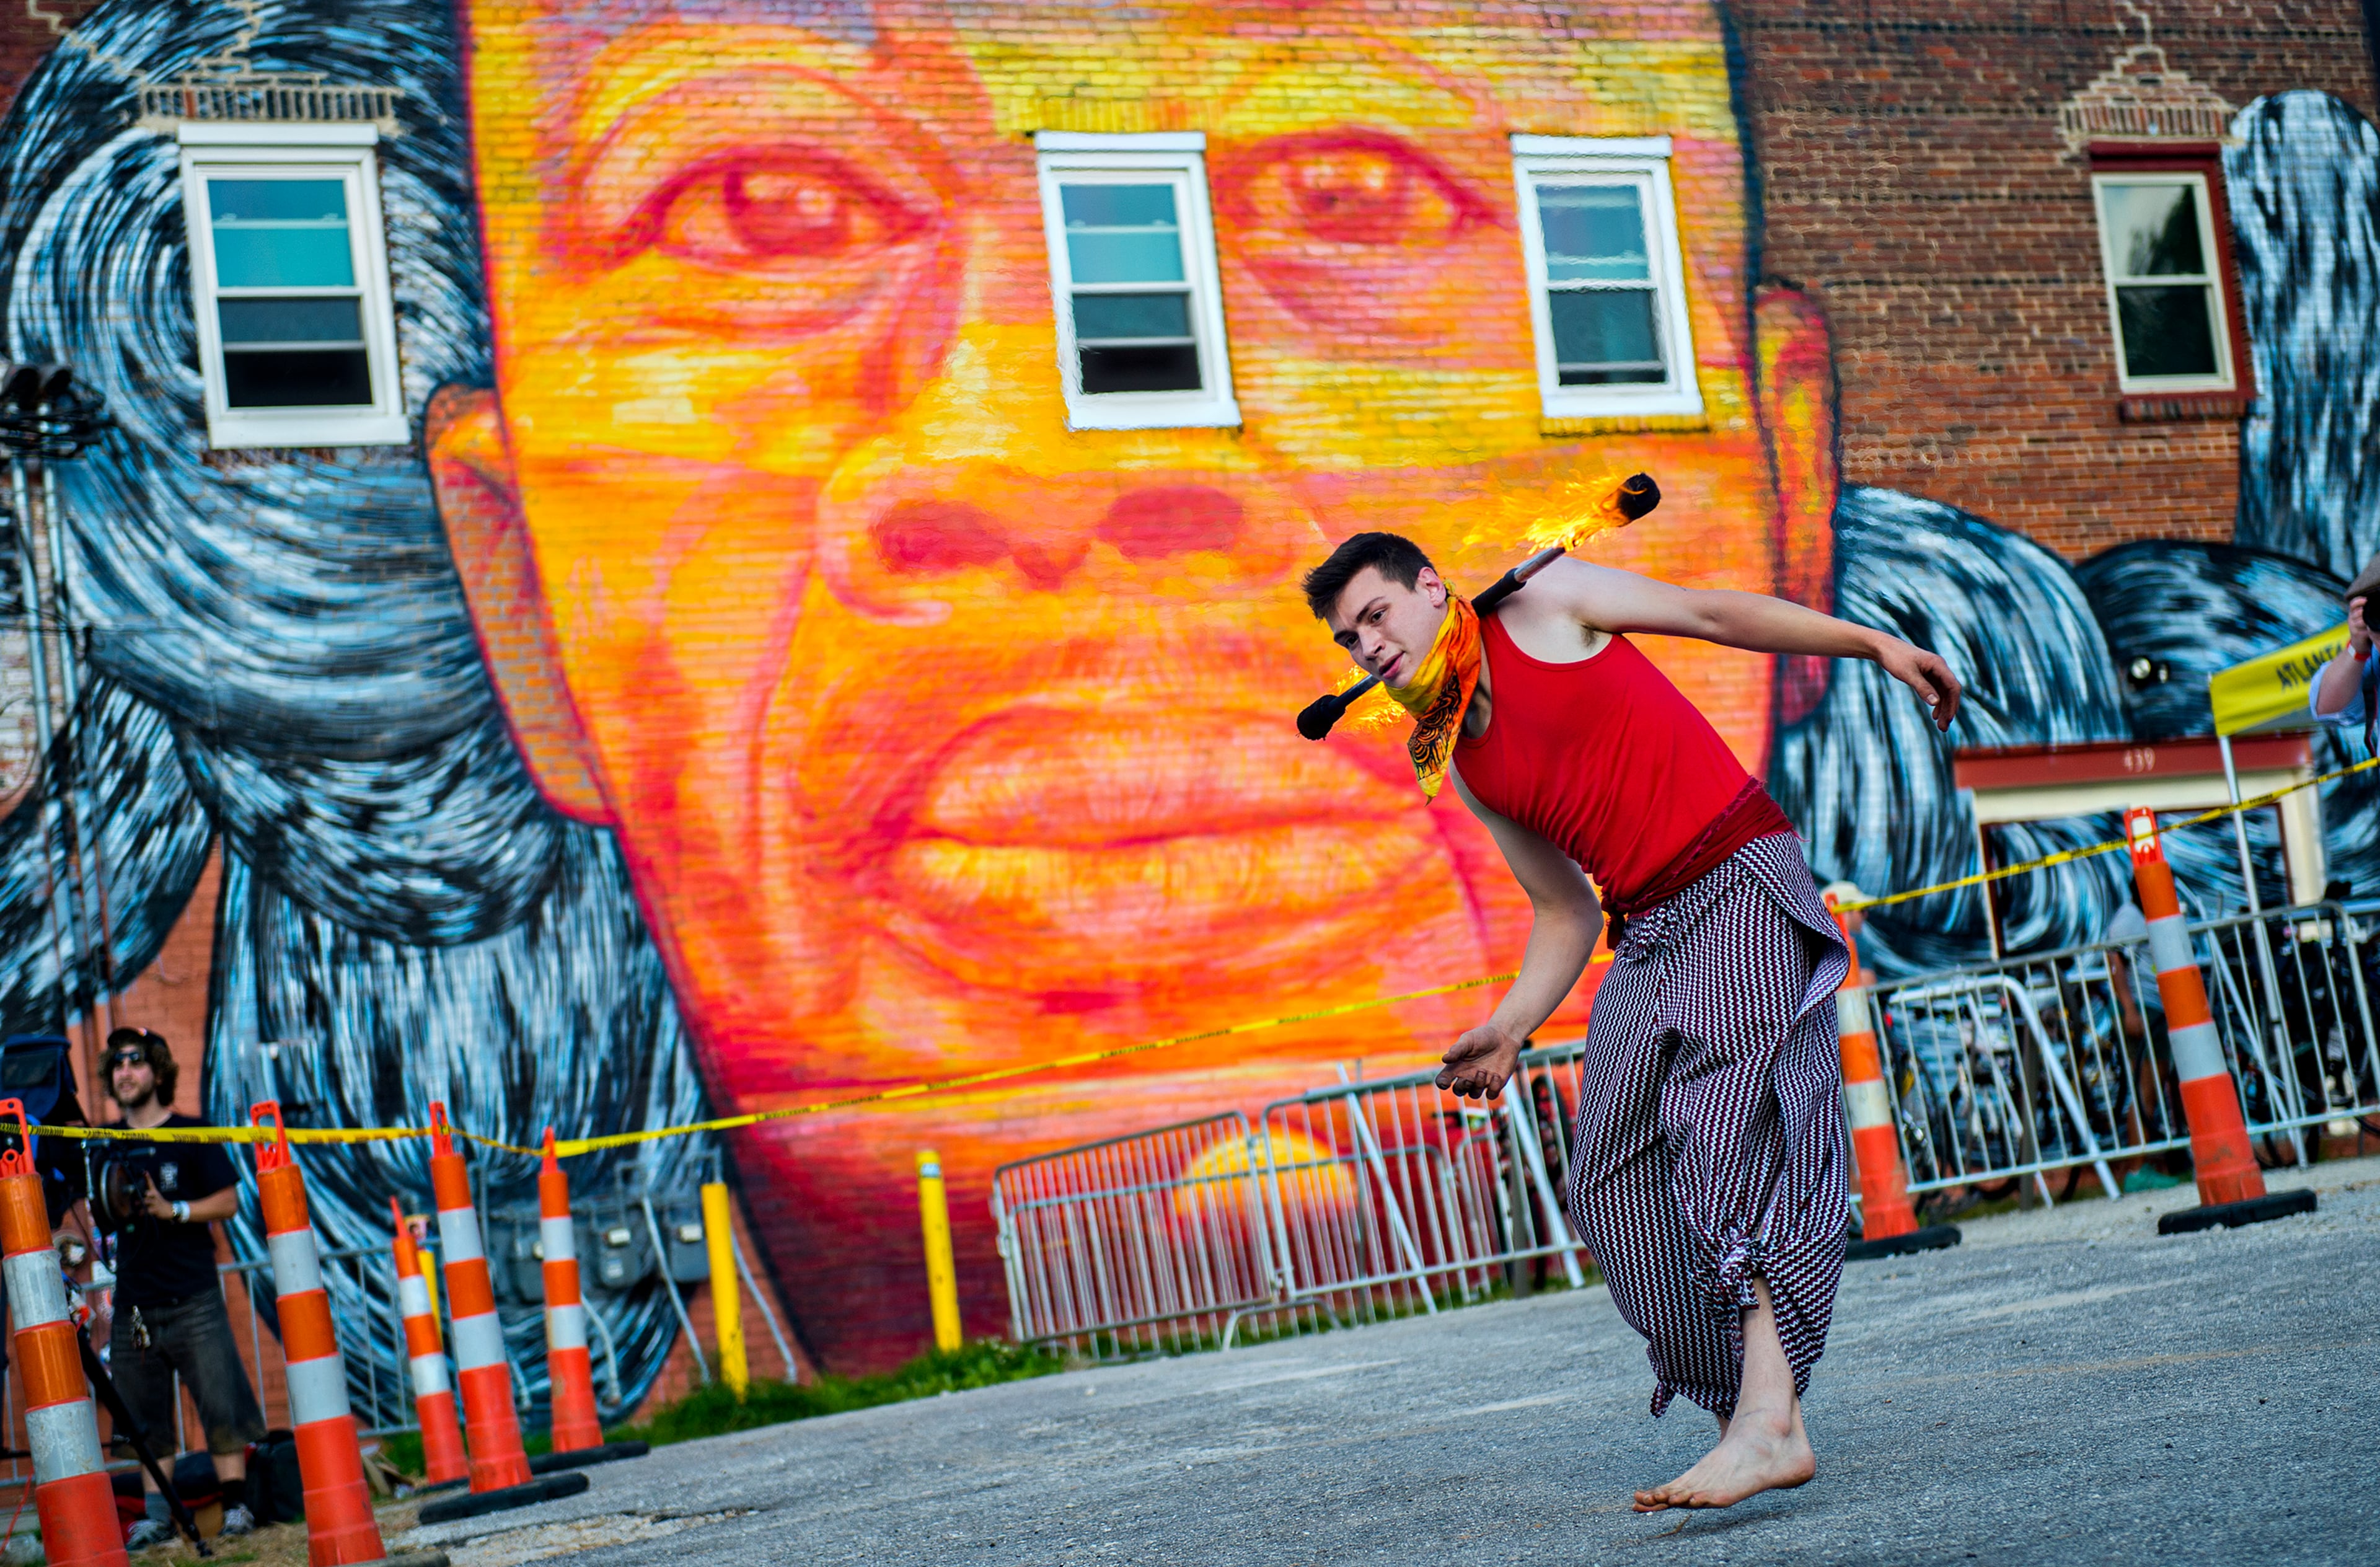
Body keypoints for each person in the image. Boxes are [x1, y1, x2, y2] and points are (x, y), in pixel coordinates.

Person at [1303, 529, 1959, 1510]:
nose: (1367, 645)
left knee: (1729, 1136)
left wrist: (1869, 644)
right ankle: (1756, 1405)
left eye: (1376, 614)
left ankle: (1769, 1425)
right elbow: (1565, 909)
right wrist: (1512, 1026)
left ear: (1431, 589)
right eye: (1351, 640)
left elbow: (1708, 611)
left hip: (1737, 877)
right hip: (1646, 928)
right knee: (1610, 1183)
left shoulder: (1546, 602)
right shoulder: (1459, 758)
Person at [92, 1028, 265, 1545]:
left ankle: (236, 1510)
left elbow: (229, 1202)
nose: (125, 1071)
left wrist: (176, 1211)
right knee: (144, 1420)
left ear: (159, 1071)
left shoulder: (192, 1131)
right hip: (134, 1305)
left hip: (195, 1298)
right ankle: (156, 1520)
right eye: (117, 1063)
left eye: (137, 1061)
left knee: (221, 1404)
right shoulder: (104, 1142)